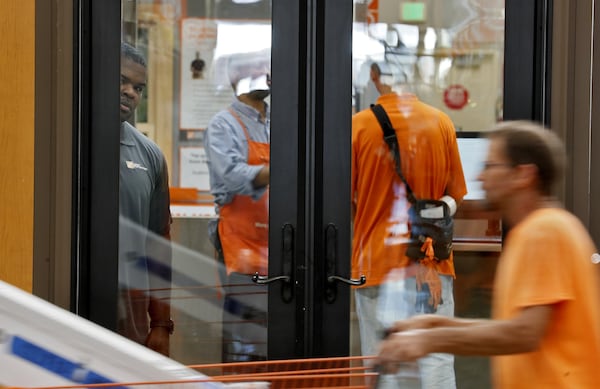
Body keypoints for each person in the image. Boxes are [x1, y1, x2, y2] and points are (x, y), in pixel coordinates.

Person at [376, 121, 600, 388]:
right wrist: (434, 324)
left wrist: (429, 340)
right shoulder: (535, 230)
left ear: (523, 175)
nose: (480, 177)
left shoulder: (545, 231)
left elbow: (525, 333)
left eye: (490, 166)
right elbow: (514, 327)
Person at [351, 61, 467, 388]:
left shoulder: (358, 127)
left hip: (376, 262)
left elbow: (343, 200)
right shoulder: (440, 122)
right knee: (437, 358)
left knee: (383, 359)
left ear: (375, 78)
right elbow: (456, 194)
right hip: (430, 265)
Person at [204, 50, 271, 363]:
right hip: (242, 252)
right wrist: (278, 167)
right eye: (257, 69)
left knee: (276, 348)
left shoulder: (280, 121)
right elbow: (230, 176)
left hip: (280, 251)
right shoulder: (223, 126)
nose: (266, 73)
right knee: (244, 346)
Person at [118, 42, 173, 356]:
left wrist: (161, 324)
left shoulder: (149, 155)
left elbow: (159, 245)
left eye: (138, 87)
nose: (130, 92)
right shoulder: (64, 138)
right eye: (122, 80)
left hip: (132, 319)